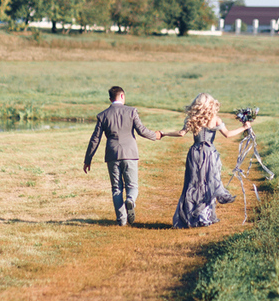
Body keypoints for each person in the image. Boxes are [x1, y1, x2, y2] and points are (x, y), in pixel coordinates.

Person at [161, 93, 253, 228]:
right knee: (209, 183)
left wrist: (164, 133)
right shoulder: (215, 119)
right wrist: (244, 127)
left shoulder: (192, 118)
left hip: (195, 153)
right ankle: (204, 216)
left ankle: (190, 216)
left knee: (192, 184)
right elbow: (228, 134)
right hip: (210, 154)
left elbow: (181, 133)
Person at [83, 86, 161, 226]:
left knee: (116, 188)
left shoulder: (103, 115)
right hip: (130, 153)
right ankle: (130, 200)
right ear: (122, 96)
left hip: (112, 154)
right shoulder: (131, 111)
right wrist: (155, 135)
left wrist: (88, 160)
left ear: (110, 99)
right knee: (132, 185)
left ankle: (122, 220)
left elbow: (95, 139)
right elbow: (141, 131)